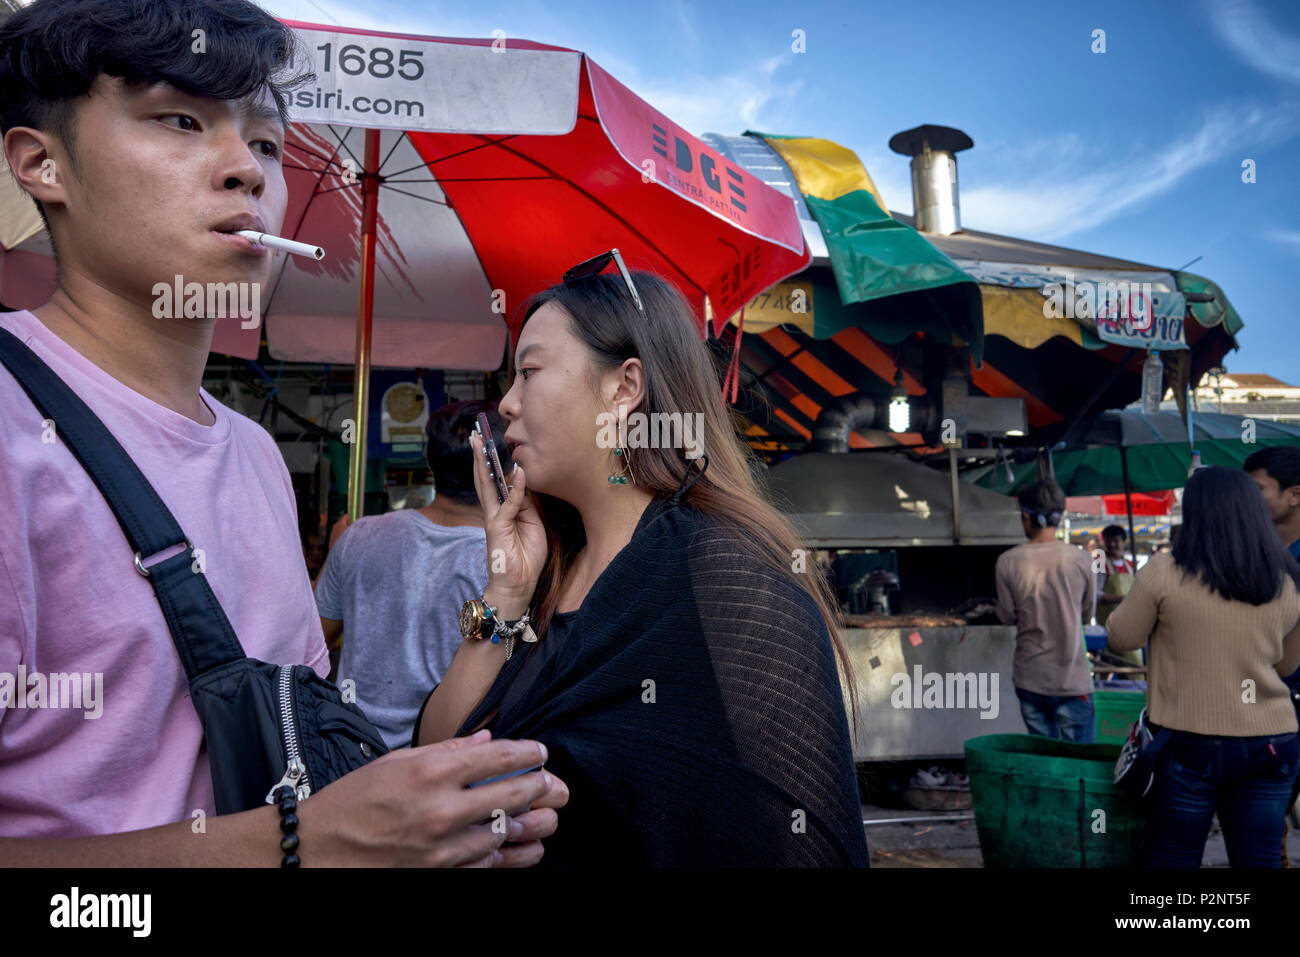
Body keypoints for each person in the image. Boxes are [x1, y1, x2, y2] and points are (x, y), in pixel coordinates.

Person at [0, 0, 564, 866]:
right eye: (180, 120)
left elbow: (298, 732)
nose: (245, 171)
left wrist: (423, 822)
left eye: (266, 142)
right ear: (42, 164)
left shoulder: (256, 452)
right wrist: (306, 843)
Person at [414, 259, 871, 867]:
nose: (507, 403)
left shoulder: (725, 573)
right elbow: (440, 759)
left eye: (528, 373)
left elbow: (807, 840)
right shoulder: (553, 569)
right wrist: (504, 593)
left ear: (624, 388)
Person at [1108, 467, 1300, 867]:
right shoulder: (1286, 579)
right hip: (1272, 743)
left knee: (1173, 860)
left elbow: (1121, 638)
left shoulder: (1163, 571)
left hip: (1188, 743)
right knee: (1260, 860)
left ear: (1192, 514)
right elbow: (1287, 665)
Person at [315, 400, 511, 750]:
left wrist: (337, 551)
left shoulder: (357, 537)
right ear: (505, 472)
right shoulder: (508, 568)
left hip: (346, 757)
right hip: (443, 766)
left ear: (429, 463)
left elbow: (311, 646)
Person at [994, 479, 1098, 742]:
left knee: (1044, 759)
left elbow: (1005, 616)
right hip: (1073, 680)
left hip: (1031, 679)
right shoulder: (1082, 560)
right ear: (1060, 515)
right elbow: (1086, 614)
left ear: (1025, 515)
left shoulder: (1007, 562)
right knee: (1080, 763)